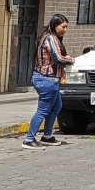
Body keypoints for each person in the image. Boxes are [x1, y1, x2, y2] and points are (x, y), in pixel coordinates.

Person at [24, 14, 74, 150]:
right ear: (54, 25)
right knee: (43, 110)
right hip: (46, 79)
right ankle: (29, 139)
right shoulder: (50, 38)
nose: (65, 30)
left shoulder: (51, 37)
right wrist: (70, 59)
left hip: (51, 79)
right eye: (63, 27)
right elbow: (58, 58)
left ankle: (47, 136)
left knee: (57, 106)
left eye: (66, 27)